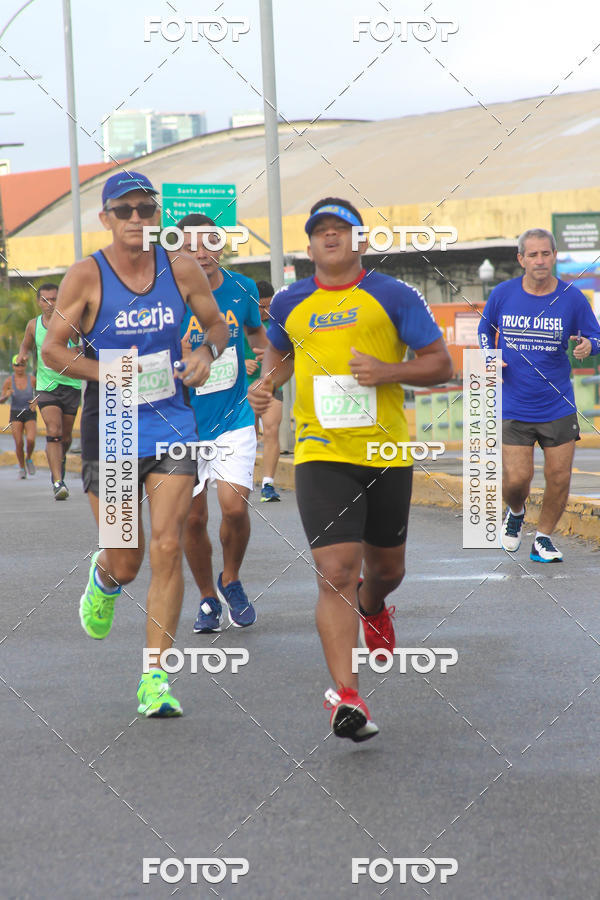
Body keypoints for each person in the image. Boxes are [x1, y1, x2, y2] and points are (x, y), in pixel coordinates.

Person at [248, 198, 452, 741]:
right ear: (309, 245)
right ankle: (347, 696)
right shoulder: (290, 301)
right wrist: (267, 385)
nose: (331, 237)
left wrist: (388, 371)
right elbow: (281, 354)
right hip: (321, 452)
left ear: (360, 241)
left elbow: (441, 363)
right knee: (335, 571)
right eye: (322, 231)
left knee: (387, 570)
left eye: (342, 229)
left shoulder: (394, 295)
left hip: (385, 453)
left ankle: (374, 604)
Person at [42, 171, 229, 717]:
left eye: (146, 209)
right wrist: (108, 371)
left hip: (173, 422)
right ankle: (105, 579)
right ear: (106, 218)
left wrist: (206, 353)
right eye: (124, 210)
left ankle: (155, 679)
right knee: (128, 560)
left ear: (157, 216)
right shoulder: (86, 275)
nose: (136, 219)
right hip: (114, 427)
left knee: (169, 546)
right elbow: (54, 349)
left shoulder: (182, 267)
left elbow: (217, 326)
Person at [478, 227, 600, 563]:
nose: (540, 260)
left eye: (546, 253)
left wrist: (589, 346)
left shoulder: (572, 298)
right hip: (514, 403)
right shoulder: (503, 294)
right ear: (521, 259)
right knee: (517, 480)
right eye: (532, 254)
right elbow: (485, 329)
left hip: (557, 404)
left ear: (555, 256)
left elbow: (596, 337)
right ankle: (516, 512)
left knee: (559, 478)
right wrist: (490, 356)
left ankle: (543, 538)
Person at [177, 213, 267, 633]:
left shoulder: (243, 287)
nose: (201, 253)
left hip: (235, 416)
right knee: (193, 519)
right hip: (182, 423)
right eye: (190, 246)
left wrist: (263, 369)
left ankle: (230, 579)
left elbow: (259, 337)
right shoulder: (167, 296)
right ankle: (207, 599)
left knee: (234, 507)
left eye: (209, 244)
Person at [17, 283, 82, 499]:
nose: (50, 304)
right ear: (39, 302)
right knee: (53, 430)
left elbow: (84, 344)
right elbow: (25, 346)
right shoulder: (33, 325)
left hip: (71, 385)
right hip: (46, 387)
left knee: (65, 437)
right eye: (45, 300)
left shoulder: (70, 322)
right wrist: (23, 355)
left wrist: (78, 348)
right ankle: (57, 481)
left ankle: (58, 463)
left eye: (54, 299)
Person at [244, 280, 283, 501]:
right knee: (249, 435)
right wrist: (242, 364)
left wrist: (272, 359)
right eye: (261, 307)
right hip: (244, 386)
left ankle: (268, 484)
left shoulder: (279, 323)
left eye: (269, 306)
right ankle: (245, 481)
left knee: (271, 430)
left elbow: (289, 354)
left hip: (271, 383)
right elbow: (223, 351)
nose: (266, 311)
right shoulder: (241, 321)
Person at [0, 354, 37, 478]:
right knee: (19, 442)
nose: (19, 368)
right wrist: (6, 396)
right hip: (16, 413)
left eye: (22, 365)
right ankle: (22, 468)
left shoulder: (32, 379)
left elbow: (41, 393)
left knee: (31, 440)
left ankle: (29, 458)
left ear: (25, 366)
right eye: (17, 365)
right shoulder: (9, 381)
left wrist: (35, 401)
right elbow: (1, 400)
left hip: (29, 412)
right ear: (13, 366)